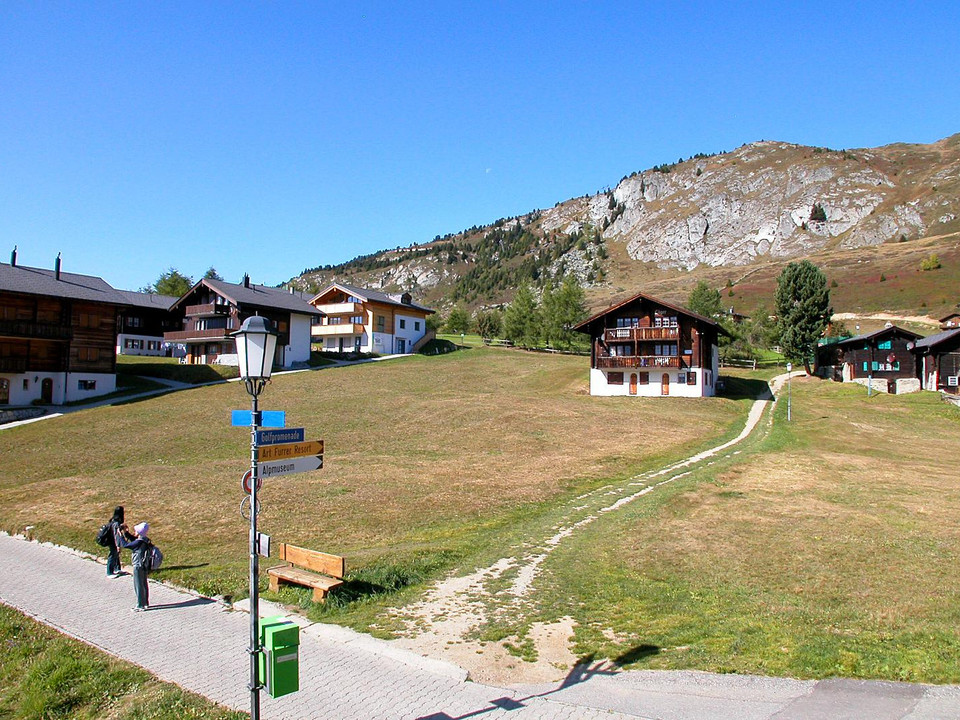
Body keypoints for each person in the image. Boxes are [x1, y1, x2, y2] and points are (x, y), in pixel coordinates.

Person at [120, 521, 152, 611]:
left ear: (139, 533)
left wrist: (121, 535)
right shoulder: (145, 540)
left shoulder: (139, 542)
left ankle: (140, 605)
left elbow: (126, 545)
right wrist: (126, 532)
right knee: (144, 584)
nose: (134, 532)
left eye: (136, 531)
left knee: (138, 585)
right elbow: (133, 539)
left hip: (138, 566)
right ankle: (145, 603)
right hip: (144, 565)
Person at [105, 506, 131, 577]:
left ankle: (117, 568)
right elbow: (116, 535)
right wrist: (118, 546)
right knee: (112, 555)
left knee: (115, 555)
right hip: (113, 541)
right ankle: (109, 572)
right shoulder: (116, 523)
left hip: (111, 540)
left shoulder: (113, 520)